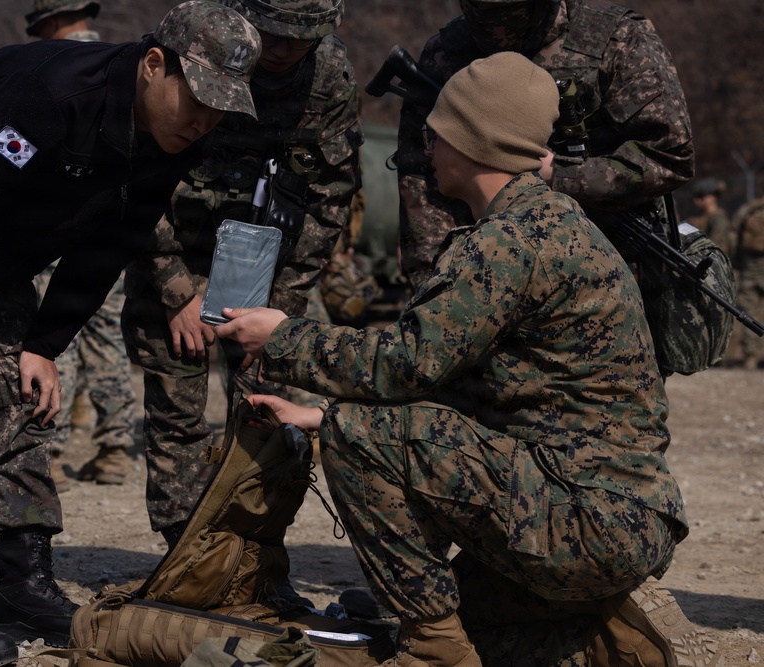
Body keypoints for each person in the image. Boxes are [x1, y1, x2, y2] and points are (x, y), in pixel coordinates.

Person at [216, 52, 720, 667]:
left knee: (360, 438)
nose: (426, 149)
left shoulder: (508, 243)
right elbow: (471, 388)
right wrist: (316, 415)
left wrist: (284, 339)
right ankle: (588, 628)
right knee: (484, 632)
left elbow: (403, 364)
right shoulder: (555, 223)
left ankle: (434, 657)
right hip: (613, 518)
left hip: (583, 519)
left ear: (470, 141)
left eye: (437, 133)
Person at [0, 2, 260, 664]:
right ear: (155, 66)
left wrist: (45, 344)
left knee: (22, 383)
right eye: (200, 97)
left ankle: (22, 577)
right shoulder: (54, 96)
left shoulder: (182, 134)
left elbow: (110, 241)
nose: (206, 119)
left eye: (223, 107)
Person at [122, 0, 361, 556]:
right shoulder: (204, 42)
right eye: (274, 36)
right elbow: (132, 172)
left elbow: (331, 198)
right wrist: (176, 286)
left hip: (266, 271)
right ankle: (186, 557)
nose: (281, 52)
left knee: (264, 418)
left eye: (299, 41)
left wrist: (279, 313)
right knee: (177, 416)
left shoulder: (329, 77)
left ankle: (254, 557)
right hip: (174, 257)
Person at [392, 0, 694, 350]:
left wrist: (560, 174)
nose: (497, 28)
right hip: (480, 275)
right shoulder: (448, 51)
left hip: (604, 276)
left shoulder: (617, 39)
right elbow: (421, 175)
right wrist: (433, 286)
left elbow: (670, 155)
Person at [26, 0, 139, 490]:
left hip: (56, 220)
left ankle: (47, 447)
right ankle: (115, 446)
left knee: (54, 334)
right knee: (106, 331)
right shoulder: (127, 63)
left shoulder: (48, 66)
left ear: (48, 21)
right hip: (111, 221)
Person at [730, 197, 764, 369]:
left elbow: (734, 235)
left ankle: (751, 357)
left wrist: (736, 262)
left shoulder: (748, 209)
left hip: (751, 267)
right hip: (751, 267)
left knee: (750, 311)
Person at [689, 177, 731, 254]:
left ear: (712, 197)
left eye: (701, 196)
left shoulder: (718, 219)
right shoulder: (699, 217)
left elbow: (715, 246)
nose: (696, 200)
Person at [25, 0, 101, 41]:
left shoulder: (54, 66)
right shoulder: (109, 55)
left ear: (51, 23)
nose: (41, 37)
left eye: (40, 28)